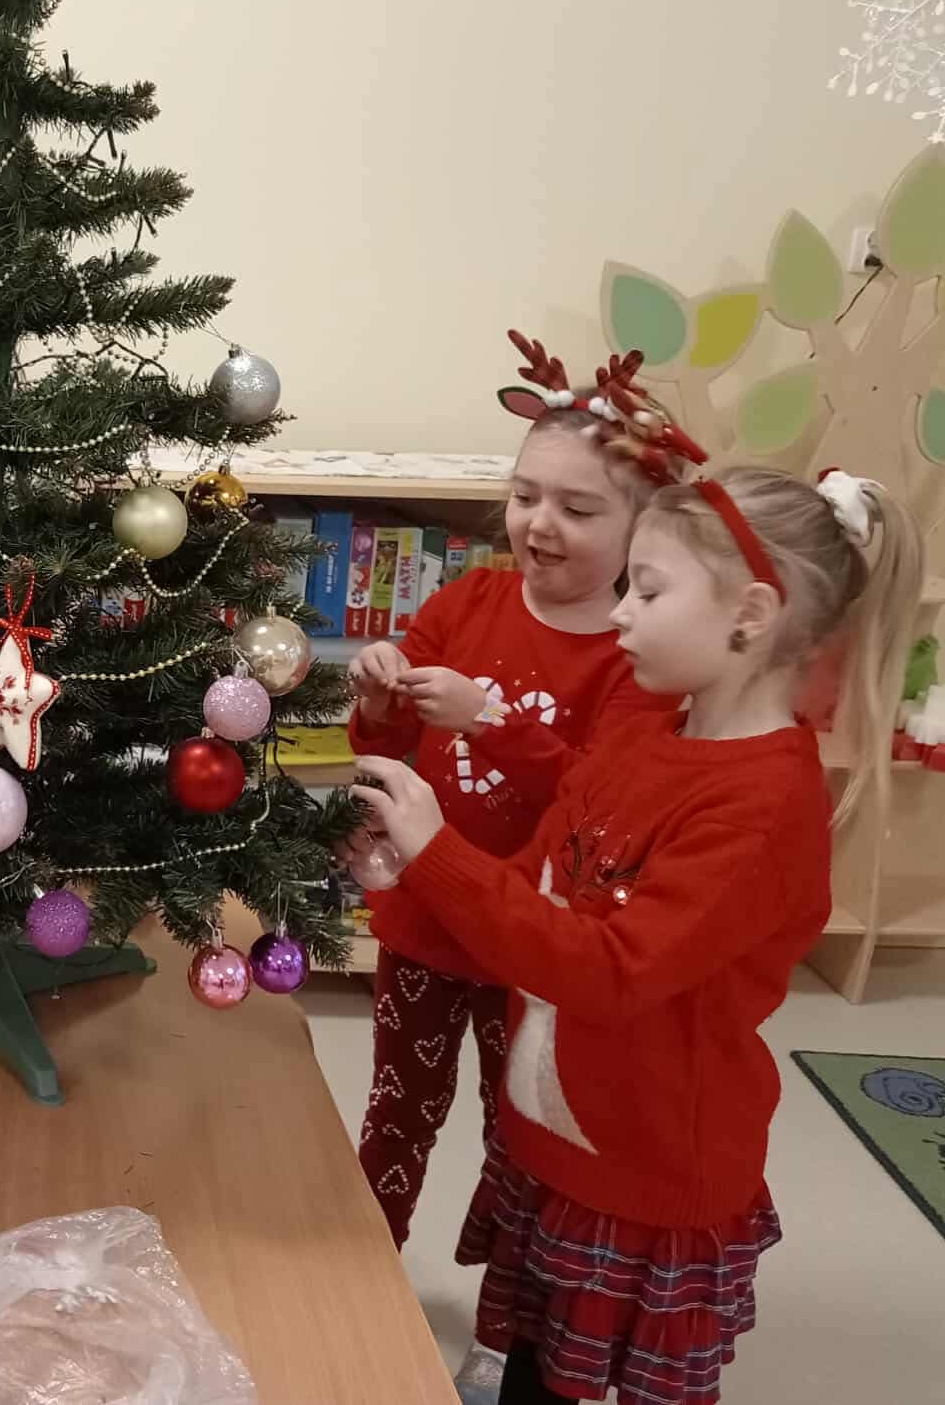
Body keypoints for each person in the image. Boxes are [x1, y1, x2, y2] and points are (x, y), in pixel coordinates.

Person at [348, 466, 922, 1405]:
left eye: (648, 592)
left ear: (750, 616)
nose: (620, 614)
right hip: (549, 1144)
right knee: (531, 1366)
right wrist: (407, 866)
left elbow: (610, 971)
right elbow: (536, 886)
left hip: (640, 1174)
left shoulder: (763, 808)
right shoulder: (645, 733)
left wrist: (439, 852)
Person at [348, 335, 688, 1268]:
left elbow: (599, 802)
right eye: (525, 496)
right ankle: (366, 1275)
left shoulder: (637, 655)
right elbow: (383, 751)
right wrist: (377, 697)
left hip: (535, 946)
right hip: (422, 922)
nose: (540, 523)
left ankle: (509, 1297)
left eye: (578, 508)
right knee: (397, 1114)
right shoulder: (468, 602)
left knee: (522, 1132)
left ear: (641, 530)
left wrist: (489, 719)